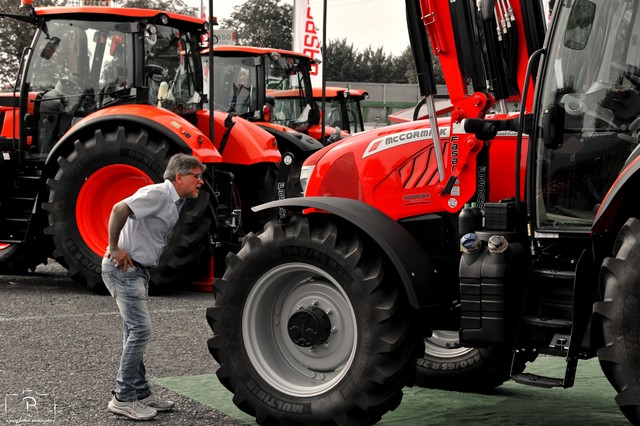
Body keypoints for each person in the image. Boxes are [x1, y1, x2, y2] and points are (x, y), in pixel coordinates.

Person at [101, 153, 206, 421]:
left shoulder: (176, 200)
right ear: (179, 177)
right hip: (125, 269)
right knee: (140, 330)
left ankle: (140, 392)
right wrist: (114, 248)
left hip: (137, 271)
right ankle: (122, 398)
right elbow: (118, 209)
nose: (200, 182)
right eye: (196, 176)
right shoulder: (159, 193)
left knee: (132, 331)